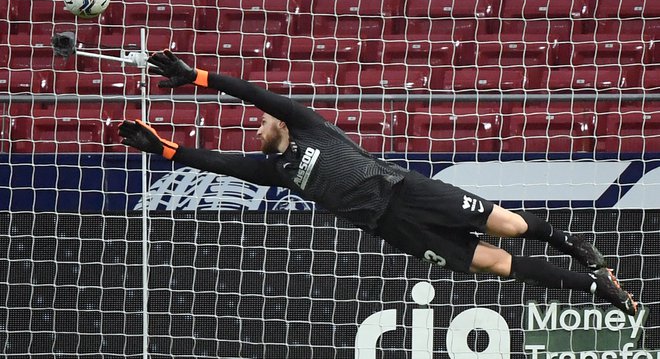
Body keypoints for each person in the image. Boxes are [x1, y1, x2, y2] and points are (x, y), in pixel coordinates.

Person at [119, 50, 638, 316]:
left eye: (259, 124)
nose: (256, 128)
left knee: (507, 224)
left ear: (278, 124)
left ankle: (576, 246)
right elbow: (216, 164)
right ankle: (601, 288)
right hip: (391, 225)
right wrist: (163, 148)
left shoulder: (304, 124)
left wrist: (197, 79)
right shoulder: (272, 170)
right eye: (256, 126)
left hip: (405, 189)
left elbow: (253, 92)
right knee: (497, 265)